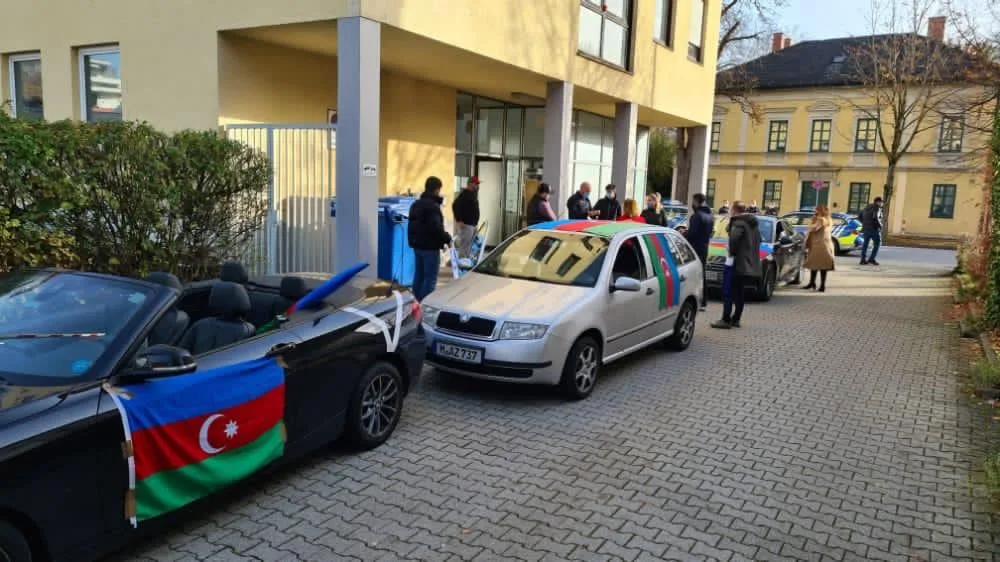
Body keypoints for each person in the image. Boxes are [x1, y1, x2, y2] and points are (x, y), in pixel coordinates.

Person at [711, 201, 761, 329]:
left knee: (727, 291)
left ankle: (725, 319)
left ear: (734, 210)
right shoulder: (753, 224)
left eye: (731, 210)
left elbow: (734, 240)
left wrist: (732, 252)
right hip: (745, 263)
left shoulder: (738, 223)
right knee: (739, 292)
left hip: (734, 262)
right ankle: (736, 318)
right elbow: (758, 240)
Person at [408, 176, 452, 301]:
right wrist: (447, 239)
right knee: (430, 278)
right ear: (437, 190)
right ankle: (425, 304)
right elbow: (436, 228)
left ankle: (415, 302)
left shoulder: (416, 204)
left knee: (419, 276)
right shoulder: (433, 207)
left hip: (417, 245)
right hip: (430, 247)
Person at [684, 193, 714, 311]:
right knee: (702, 273)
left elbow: (692, 234)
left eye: (693, 201)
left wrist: (684, 234)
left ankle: (697, 300)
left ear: (696, 201)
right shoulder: (710, 215)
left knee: (694, 274)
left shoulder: (697, 216)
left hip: (694, 248)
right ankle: (703, 301)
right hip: (704, 247)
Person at [802, 204, 836, 292]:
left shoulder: (821, 220)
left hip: (819, 246)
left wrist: (812, 221)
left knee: (819, 266)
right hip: (824, 245)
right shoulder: (829, 219)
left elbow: (813, 228)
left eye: (816, 210)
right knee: (817, 265)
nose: (815, 212)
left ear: (821, 211)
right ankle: (813, 283)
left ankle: (820, 286)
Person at [452, 176, 480, 259]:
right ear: (470, 183)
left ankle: (466, 260)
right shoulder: (464, 194)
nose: (477, 186)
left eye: (477, 184)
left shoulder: (472, 194)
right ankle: (462, 261)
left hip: (472, 224)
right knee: (465, 245)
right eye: (476, 183)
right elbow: (455, 205)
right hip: (467, 224)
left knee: (469, 245)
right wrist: (459, 220)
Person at [859, 196, 884, 266]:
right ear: (878, 202)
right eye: (881, 202)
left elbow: (859, 216)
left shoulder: (867, 207)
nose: (882, 204)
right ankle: (871, 259)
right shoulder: (877, 208)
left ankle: (862, 260)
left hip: (865, 229)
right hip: (873, 229)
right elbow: (876, 218)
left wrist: (864, 223)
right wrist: (880, 226)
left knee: (865, 244)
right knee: (877, 243)